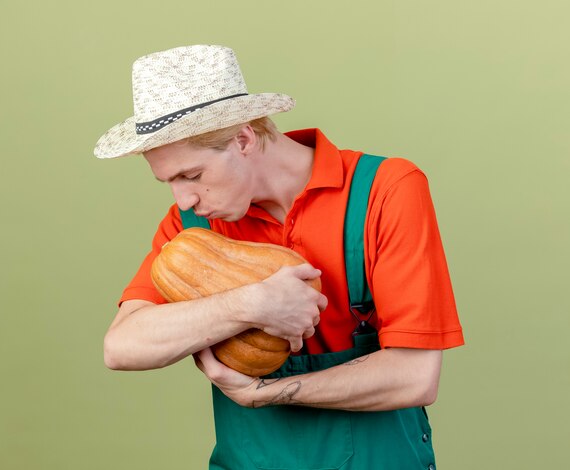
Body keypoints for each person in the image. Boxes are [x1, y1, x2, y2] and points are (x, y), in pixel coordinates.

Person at [95, 44, 464, 470]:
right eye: (169, 182)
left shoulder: (386, 191)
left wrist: (264, 394)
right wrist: (251, 304)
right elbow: (122, 347)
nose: (186, 198)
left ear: (243, 139)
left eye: (191, 175)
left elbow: (414, 377)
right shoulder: (191, 228)